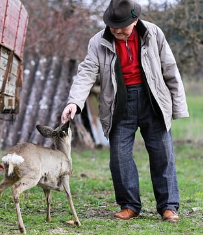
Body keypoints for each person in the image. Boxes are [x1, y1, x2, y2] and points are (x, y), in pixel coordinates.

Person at [61, 0, 189, 222]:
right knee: (119, 158)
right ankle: (129, 205)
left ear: (135, 20)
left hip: (153, 100)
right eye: (114, 27)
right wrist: (74, 102)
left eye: (123, 27)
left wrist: (177, 107)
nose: (118, 31)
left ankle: (168, 207)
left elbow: (170, 69)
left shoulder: (153, 33)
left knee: (163, 155)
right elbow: (87, 72)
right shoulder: (98, 42)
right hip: (119, 103)